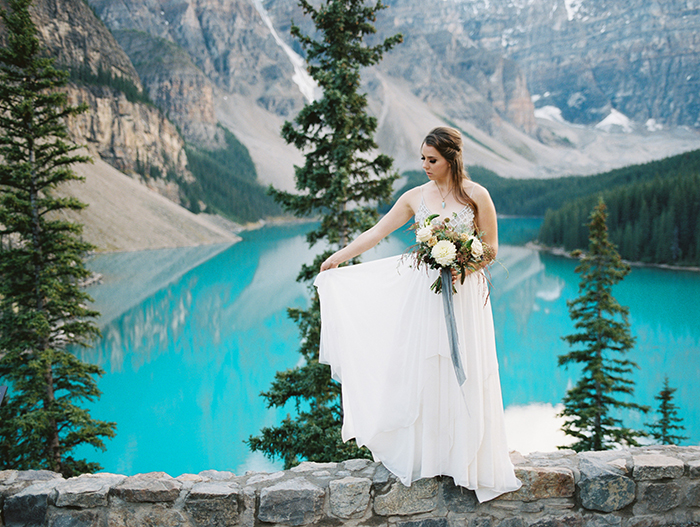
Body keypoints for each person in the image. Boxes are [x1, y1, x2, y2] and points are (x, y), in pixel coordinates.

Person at [314, 126, 521, 502]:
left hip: (465, 294)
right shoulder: (414, 197)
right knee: (427, 367)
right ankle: (434, 457)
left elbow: (490, 248)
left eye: (432, 160)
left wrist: (463, 266)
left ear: (452, 159)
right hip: (426, 295)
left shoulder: (477, 196)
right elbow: (377, 231)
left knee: (467, 368)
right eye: (422, 159)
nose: (425, 166)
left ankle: (469, 460)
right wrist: (338, 258)